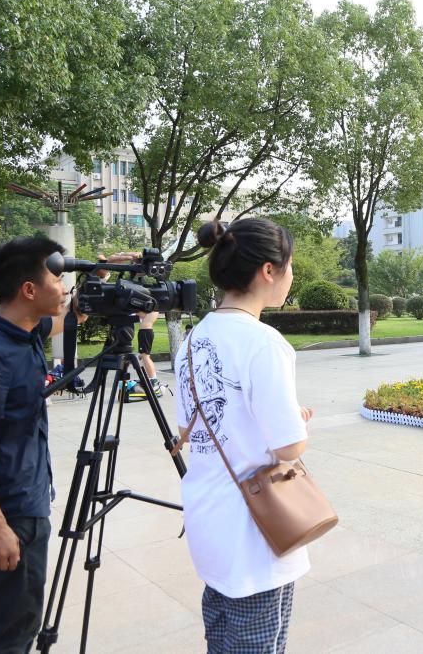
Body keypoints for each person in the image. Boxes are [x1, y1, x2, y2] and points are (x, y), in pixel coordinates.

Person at [0, 238, 107, 653]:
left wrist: (101, 278)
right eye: (57, 278)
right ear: (29, 290)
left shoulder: (20, 331)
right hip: (9, 514)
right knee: (13, 631)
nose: (63, 287)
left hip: (21, 502)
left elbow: (70, 315)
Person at [175, 219, 311, 653]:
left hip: (210, 519)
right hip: (256, 531)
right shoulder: (264, 343)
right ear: (269, 271)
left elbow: (190, 428)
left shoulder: (193, 339)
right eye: (290, 266)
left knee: (221, 640)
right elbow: (288, 447)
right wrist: (298, 423)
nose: (291, 275)